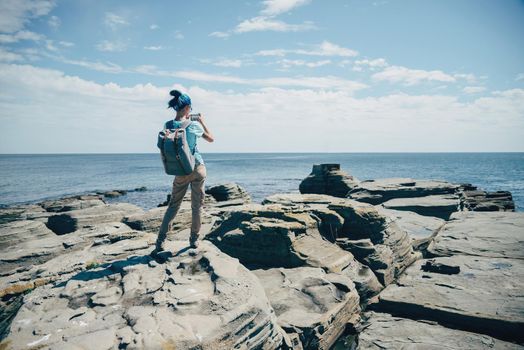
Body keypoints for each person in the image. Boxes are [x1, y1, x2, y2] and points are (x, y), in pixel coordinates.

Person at [152, 90, 214, 256]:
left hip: (180, 170)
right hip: (197, 168)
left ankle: (160, 242)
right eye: (190, 108)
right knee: (197, 206)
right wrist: (201, 120)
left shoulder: (168, 125)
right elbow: (210, 138)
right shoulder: (193, 125)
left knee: (173, 206)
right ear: (187, 107)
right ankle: (194, 240)